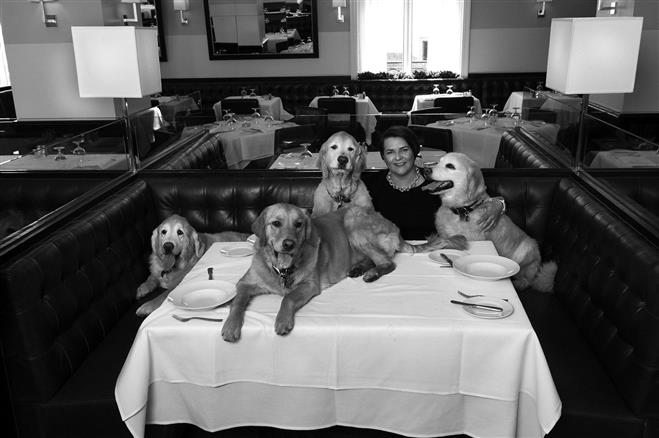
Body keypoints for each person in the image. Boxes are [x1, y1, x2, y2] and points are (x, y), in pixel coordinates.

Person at [368, 125, 504, 240]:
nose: (398, 157)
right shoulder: (372, 185)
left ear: (414, 151)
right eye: (390, 152)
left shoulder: (438, 181)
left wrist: (498, 204)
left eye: (404, 150)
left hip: (433, 256)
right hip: (387, 256)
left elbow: (480, 196)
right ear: (383, 157)